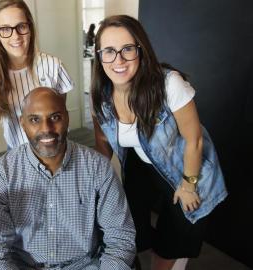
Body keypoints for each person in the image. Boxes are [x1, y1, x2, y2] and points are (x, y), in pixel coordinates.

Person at [90, 15, 228, 270]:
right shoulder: (102, 96)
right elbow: (102, 143)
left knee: (171, 245)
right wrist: (99, 187)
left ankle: (174, 258)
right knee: (131, 232)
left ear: (141, 50)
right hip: (143, 165)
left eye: (127, 49)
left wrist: (189, 184)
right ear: (99, 56)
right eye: (108, 51)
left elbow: (194, 139)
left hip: (185, 166)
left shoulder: (168, 84)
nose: (118, 60)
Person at [0, 87, 136, 269]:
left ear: (67, 118)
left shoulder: (98, 168)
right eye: (34, 119)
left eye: (55, 117)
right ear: (22, 123)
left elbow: (121, 238)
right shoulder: (0, 174)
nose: (46, 128)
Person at [0, 0, 74, 149]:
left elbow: (60, 112)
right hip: (17, 150)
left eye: (21, 26)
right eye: (5, 29)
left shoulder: (53, 66)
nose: (15, 36)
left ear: (30, 28)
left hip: (53, 146)